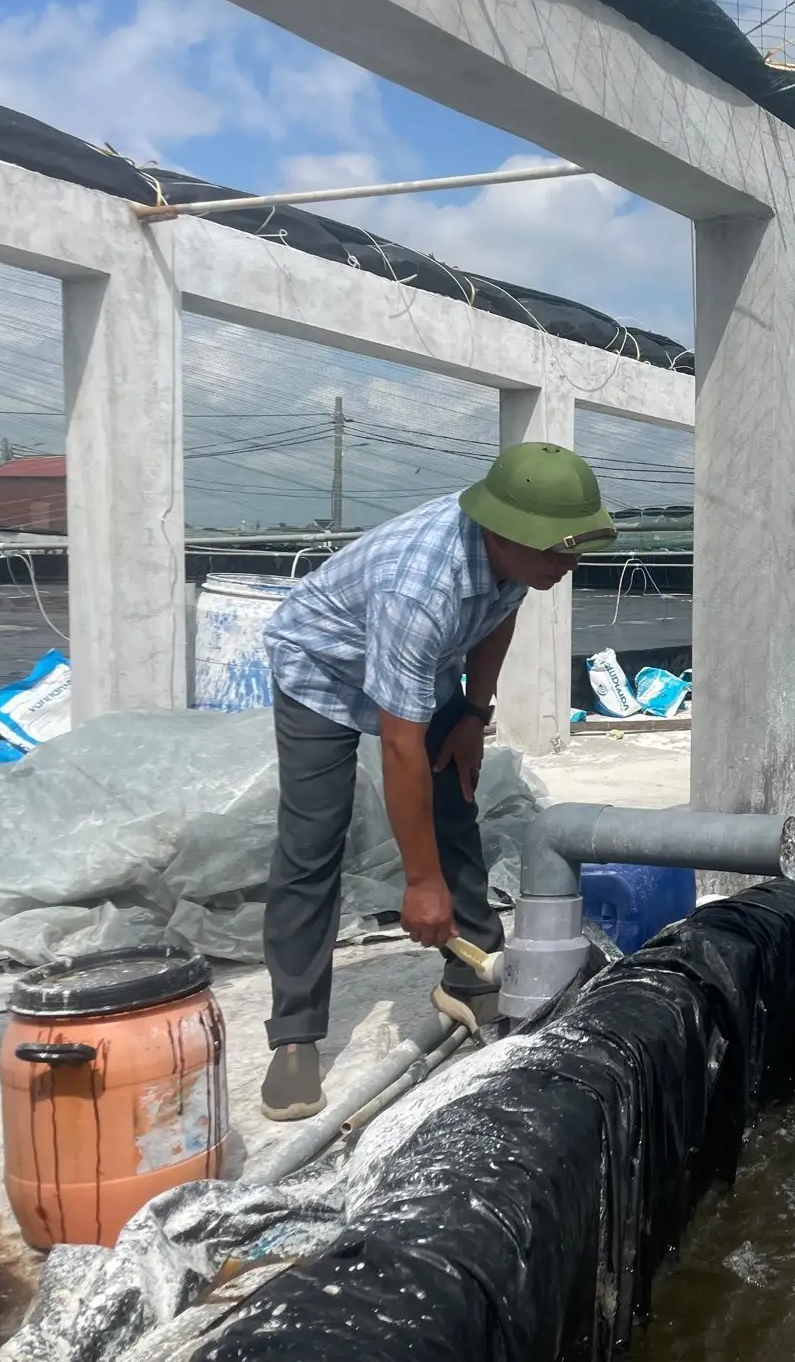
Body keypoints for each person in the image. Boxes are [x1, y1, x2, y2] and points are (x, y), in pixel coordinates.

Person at [256, 442, 615, 1121]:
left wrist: (474, 715)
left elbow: (499, 613)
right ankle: (295, 1034)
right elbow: (398, 747)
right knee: (313, 838)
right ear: (504, 536)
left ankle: (469, 967)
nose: (570, 567)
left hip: (424, 660)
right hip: (322, 666)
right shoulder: (420, 588)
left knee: (458, 793)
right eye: (558, 553)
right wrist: (419, 883)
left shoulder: (515, 560)